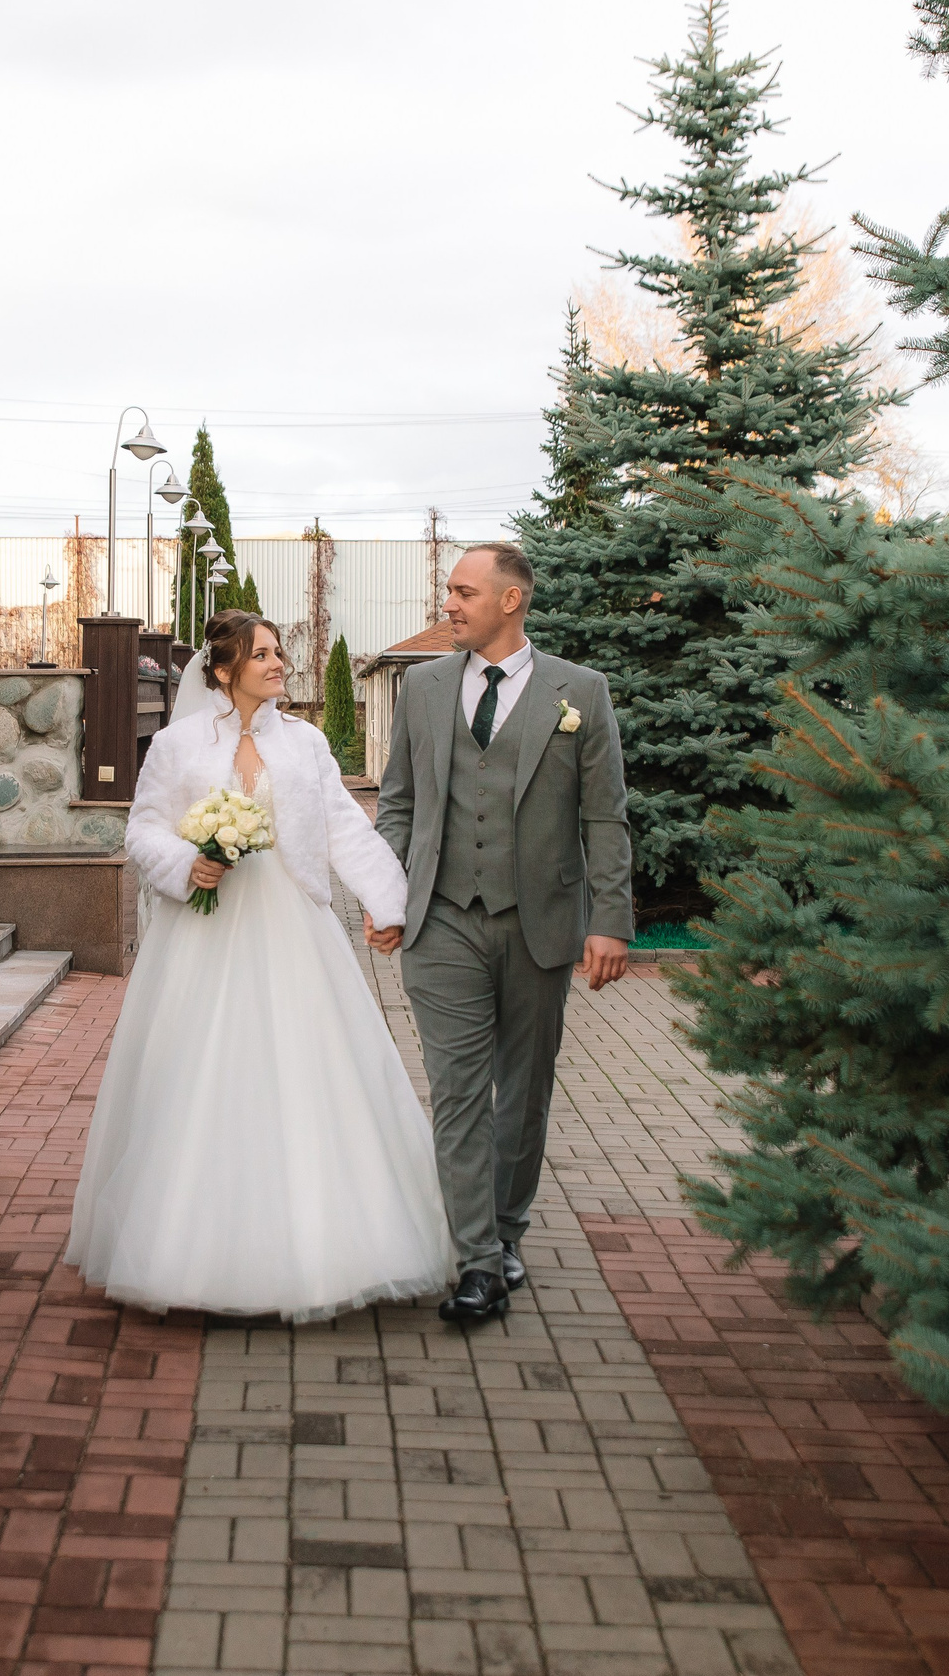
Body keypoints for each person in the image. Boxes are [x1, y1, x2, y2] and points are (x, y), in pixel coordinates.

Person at [64, 611, 455, 1322]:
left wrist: (389, 902)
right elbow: (143, 828)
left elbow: (343, 825)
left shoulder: (304, 743)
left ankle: (324, 1244)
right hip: (204, 936)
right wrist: (189, 862)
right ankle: (192, 1250)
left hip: (292, 926)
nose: (279, 664)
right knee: (203, 1078)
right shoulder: (179, 745)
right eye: (263, 654)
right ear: (223, 671)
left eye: (279, 652)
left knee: (308, 1075)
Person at [371, 544, 633, 1324]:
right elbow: (398, 803)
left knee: (522, 1093)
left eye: (463, 591)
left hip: (539, 924)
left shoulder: (579, 692)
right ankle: (479, 1260)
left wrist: (611, 920)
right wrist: (388, 893)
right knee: (457, 1093)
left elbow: (604, 816)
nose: (448, 603)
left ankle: (508, 1228)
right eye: (448, 591)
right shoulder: (421, 687)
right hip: (443, 917)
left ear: (510, 600)